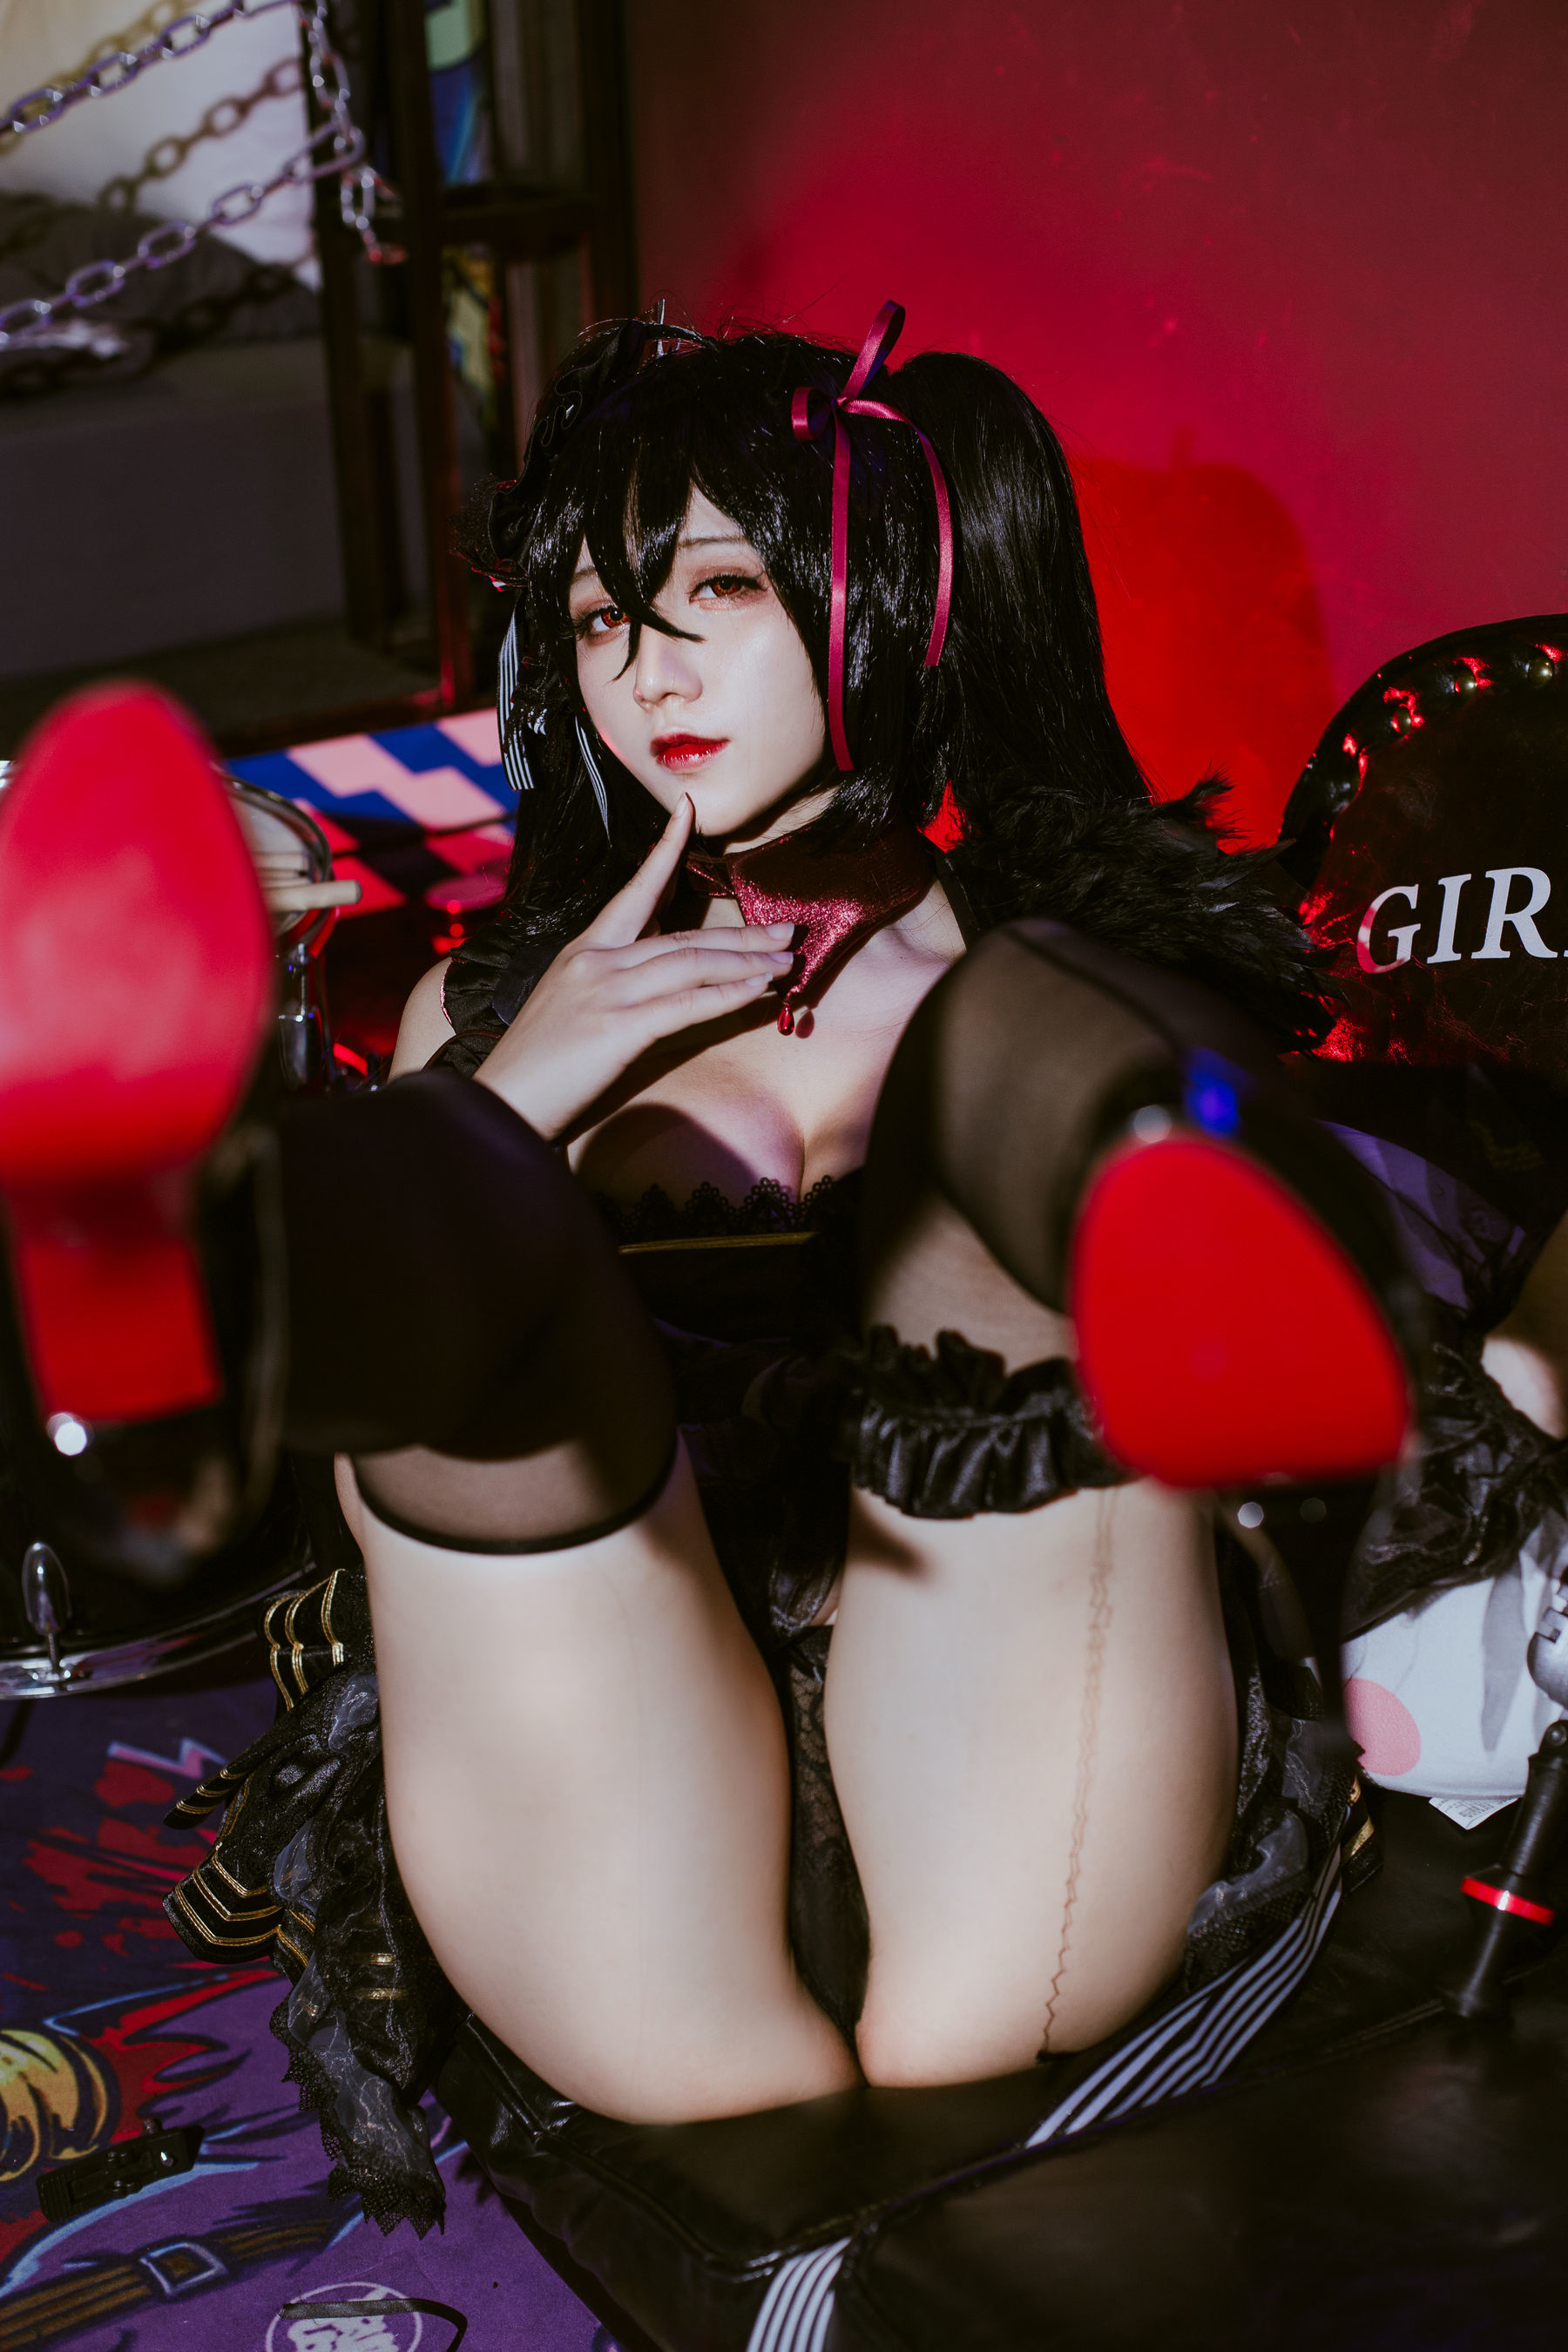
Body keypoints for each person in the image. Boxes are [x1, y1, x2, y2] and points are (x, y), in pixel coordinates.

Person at [0, 307, 1405, 2237]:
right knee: (489, 1252)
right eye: (595, 619)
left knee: (1018, 1063)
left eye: (716, 592)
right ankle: (184, 1244)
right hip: (617, 1803)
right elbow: (392, 1527)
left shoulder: (1071, 967)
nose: (641, 672)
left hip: (1017, 1763)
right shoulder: (493, 1005)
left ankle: (1171, 1204)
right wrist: (525, 1081)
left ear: (895, 592)